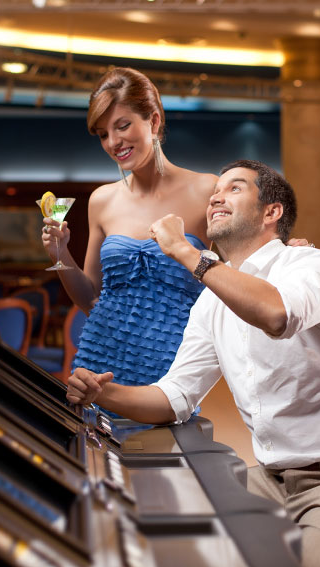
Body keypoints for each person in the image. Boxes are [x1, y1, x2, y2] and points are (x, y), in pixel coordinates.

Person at [65, 159, 320, 567]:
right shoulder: (213, 298)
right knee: (174, 540)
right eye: (216, 191)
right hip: (273, 477)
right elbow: (174, 395)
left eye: (235, 188)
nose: (216, 196)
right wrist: (103, 393)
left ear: (272, 212)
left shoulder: (310, 265)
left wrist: (184, 251)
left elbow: (276, 315)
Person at [40, 67, 217, 391]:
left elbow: (242, 276)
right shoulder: (102, 200)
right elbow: (90, 297)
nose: (113, 142)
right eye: (103, 134)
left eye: (122, 126)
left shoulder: (209, 191)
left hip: (167, 369)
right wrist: (60, 253)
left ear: (153, 120)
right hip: (97, 361)